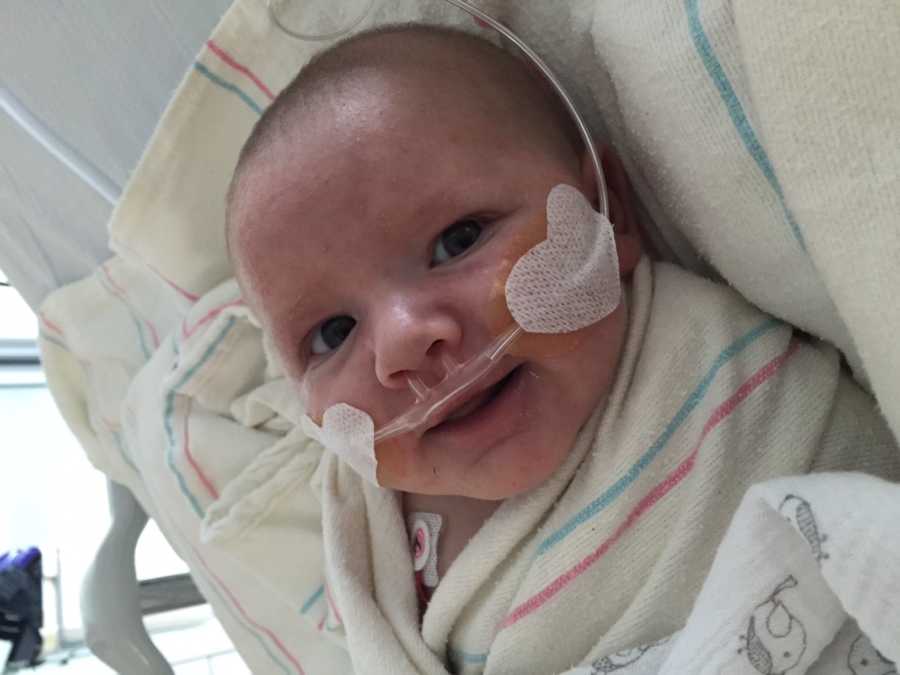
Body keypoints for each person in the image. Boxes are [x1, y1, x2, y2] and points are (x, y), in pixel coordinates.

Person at [225, 24, 899, 674]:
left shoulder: (722, 376)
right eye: (332, 333)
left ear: (611, 215)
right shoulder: (367, 526)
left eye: (458, 239)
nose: (404, 338)